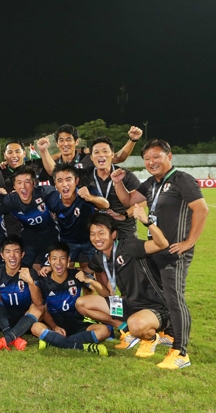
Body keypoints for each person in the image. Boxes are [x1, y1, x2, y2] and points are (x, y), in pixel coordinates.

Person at [110, 139, 209, 369]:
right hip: (157, 249)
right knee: (164, 296)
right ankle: (171, 335)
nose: (152, 162)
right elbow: (129, 200)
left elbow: (201, 209)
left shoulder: (181, 179)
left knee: (175, 300)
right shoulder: (153, 183)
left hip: (174, 252)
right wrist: (117, 183)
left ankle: (180, 353)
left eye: (157, 156)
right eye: (147, 158)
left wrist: (188, 242)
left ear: (169, 156)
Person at [76, 212, 173, 364]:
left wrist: (147, 223)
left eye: (102, 233)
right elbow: (99, 285)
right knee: (82, 303)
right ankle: (126, 330)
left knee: (137, 324)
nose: (97, 238)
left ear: (113, 234)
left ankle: (151, 339)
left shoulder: (129, 246)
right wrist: (58, 267)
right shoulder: (100, 257)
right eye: (93, 234)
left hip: (156, 307)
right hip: (129, 305)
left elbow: (162, 244)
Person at [30, 243, 111, 355]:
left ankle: (53, 341)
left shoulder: (76, 275)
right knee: (35, 327)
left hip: (76, 322)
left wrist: (89, 280)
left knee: (104, 330)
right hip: (53, 324)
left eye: (62, 258)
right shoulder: (43, 280)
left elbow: (105, 293)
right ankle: (82, 345)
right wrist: (54, 327)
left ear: (68, 260)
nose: (58, 263)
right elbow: (43, 308)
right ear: (48, 260)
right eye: (54, 258)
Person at [0, 237, 44, 352]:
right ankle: (11, 335)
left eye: (16, 251)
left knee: (39, 308)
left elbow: (39, 303)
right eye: (8, 251)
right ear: (2, 255)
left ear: (22, 254)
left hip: (24, 322)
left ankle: (4, 341)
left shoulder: (29, 272)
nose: (12, 255)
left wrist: (30, 282)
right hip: (1, 320)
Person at [77, 137, 144, 239]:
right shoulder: (84, 176)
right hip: (97, 233)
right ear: (91, 157)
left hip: (124, 231)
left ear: (112, 154)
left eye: (105, 151)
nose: (101, 155)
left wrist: (124, 215)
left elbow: (142, 201)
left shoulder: (126, 175)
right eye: (96, 152)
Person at [44, 162, 109, 267]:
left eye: (68, 179)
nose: (64, 184)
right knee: (64, 270)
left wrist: (90, 198)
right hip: (67, 241)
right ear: (55, 183)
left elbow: (105, 205)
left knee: (99, 270)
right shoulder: (52, 199)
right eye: (60, 181)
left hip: (91, 240)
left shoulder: (87, 192)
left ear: (76, 181)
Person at [0, 165, 59, 269]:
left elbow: (63, 202)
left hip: (51, 237)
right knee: (20, 269)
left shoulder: (45, 192)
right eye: (19, 182)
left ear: (34, 183)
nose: (23, 186)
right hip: (29, 239)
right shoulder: (10, 200)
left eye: (27, 182)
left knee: (51, 271)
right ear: (14, 186)